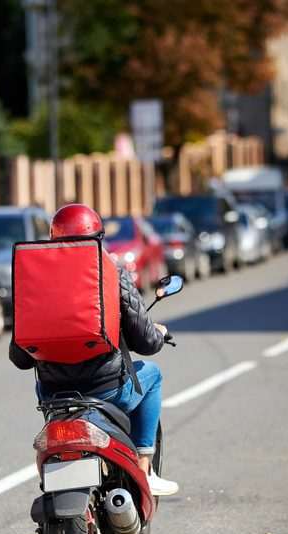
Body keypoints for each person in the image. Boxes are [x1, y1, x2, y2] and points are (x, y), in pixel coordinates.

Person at [9, 203, 179, 496]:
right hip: (108, 392)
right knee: (153, 375)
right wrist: (159, 333)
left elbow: (20, 358)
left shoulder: (36, 279)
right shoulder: (112, 271)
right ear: (99, 238)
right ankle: (143, 466)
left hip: (54, 396)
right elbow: (146, 343)